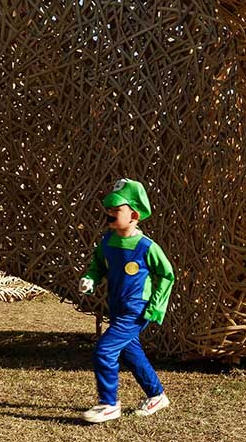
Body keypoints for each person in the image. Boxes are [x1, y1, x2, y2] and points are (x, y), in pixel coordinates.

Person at [77, 178, 174, 422]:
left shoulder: (146, 246)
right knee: (131, 353)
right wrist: (90, 279)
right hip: (118, 308)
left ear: (134, 215)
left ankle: (108, 404)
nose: (110, 215)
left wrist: (156, 307)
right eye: (108, 210)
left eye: (116, 210)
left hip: (136, 310)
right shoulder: (108, 242)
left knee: (105, 350)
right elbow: (97, 266)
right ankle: (157, 395)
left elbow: (167, 274)